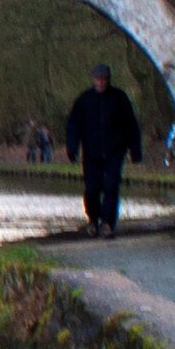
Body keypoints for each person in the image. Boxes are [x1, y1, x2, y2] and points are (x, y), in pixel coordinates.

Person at [65, 64, 143, 237]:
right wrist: (72, 147)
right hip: (91, 151)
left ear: (108, 80)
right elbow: (74, 125)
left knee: (111, 186)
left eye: (104, 79)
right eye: (98, 79)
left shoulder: (119, 98)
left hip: (115, 150)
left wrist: (135, 149)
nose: (101, 83)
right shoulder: (84, 100)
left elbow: (130, 124)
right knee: (92, 188)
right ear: (94, 80)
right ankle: (93, 219)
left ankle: (107, 223)